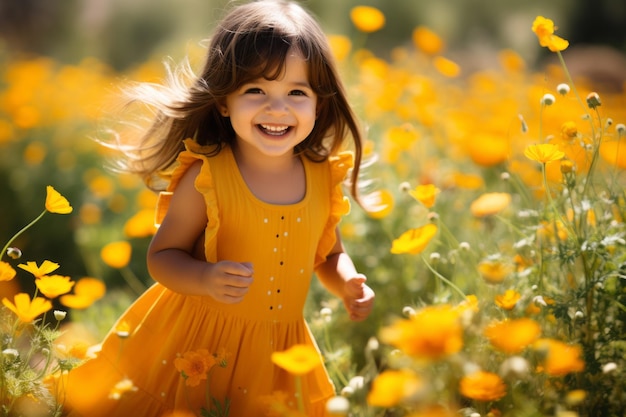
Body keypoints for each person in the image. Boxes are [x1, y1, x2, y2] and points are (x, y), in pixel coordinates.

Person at [61, 1, 375, 416]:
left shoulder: (321, 178)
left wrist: (348, 283)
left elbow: (328, 255)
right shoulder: (209, 178)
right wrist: (205, 277)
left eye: (297, 93)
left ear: (319, 104)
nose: (277, 108)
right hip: (195, 346)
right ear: (224, 101)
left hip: (278, 352)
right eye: (256, 90)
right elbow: (162, 257)